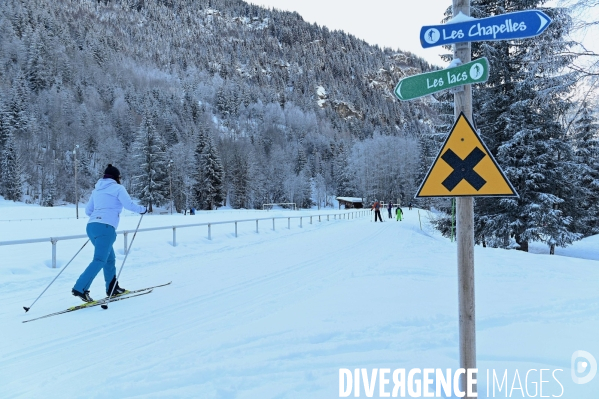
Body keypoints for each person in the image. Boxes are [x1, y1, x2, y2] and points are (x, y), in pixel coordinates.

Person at [72, 164, 147, 302]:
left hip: (92, 227)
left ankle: (113, 288)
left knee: (109, 258)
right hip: (106, 228)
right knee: (100, 259)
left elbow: (88, 211)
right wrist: (143, 209)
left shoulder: (96, 191)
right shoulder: (118, 188)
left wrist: (99, 215)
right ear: (116, 177)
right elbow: (129, 205)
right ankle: (80, 288)